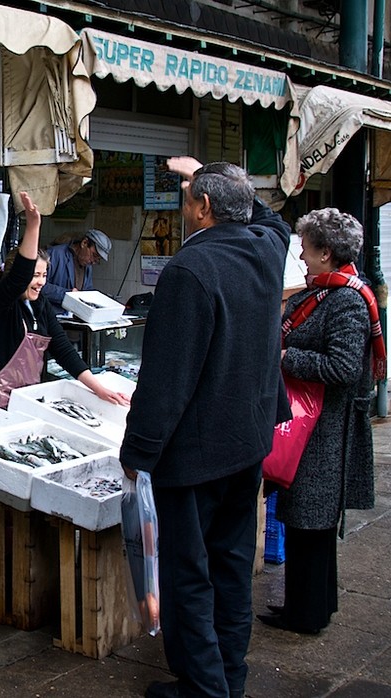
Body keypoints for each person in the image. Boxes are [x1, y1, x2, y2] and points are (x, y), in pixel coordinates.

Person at [119, 157, 291, 698]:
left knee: (189, 575)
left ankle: (205, 689)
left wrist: (138, 451)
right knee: (233, 568)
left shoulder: (190, 271)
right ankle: (228, 681)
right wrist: (221, 177)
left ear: (204, 209)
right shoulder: (265, 248)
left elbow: (166, 380)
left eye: (190, 194)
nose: (185, 202)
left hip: (196, 455)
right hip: (247, 441)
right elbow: (277, 222)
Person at [258, 208, 384, 635]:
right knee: (305, 523)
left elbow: (345, 368)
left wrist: (286, 357)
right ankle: (308, 605)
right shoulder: (324, 292)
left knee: (311, 525)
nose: (302, 255)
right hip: (312, 428)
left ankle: (306, 614)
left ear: (326, 253)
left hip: (325, 432)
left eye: (307, 248)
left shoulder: (346, 299)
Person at [0, 193, 129, 407]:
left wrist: (100, 390)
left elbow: (64, 350)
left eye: (44, 275)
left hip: (26, 396)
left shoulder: (40, 306)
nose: (41, 282)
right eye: (35, 275)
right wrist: (33, 226)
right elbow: (19, 279)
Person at [40, 228, 112, 310]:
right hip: (51, 314)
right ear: (84, 243)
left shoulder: (88, 266)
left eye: (97, 260)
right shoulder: (55, 254)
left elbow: (88, 290)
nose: (93, 262)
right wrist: (67, 294)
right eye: (94, 255)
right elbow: (39, 285)